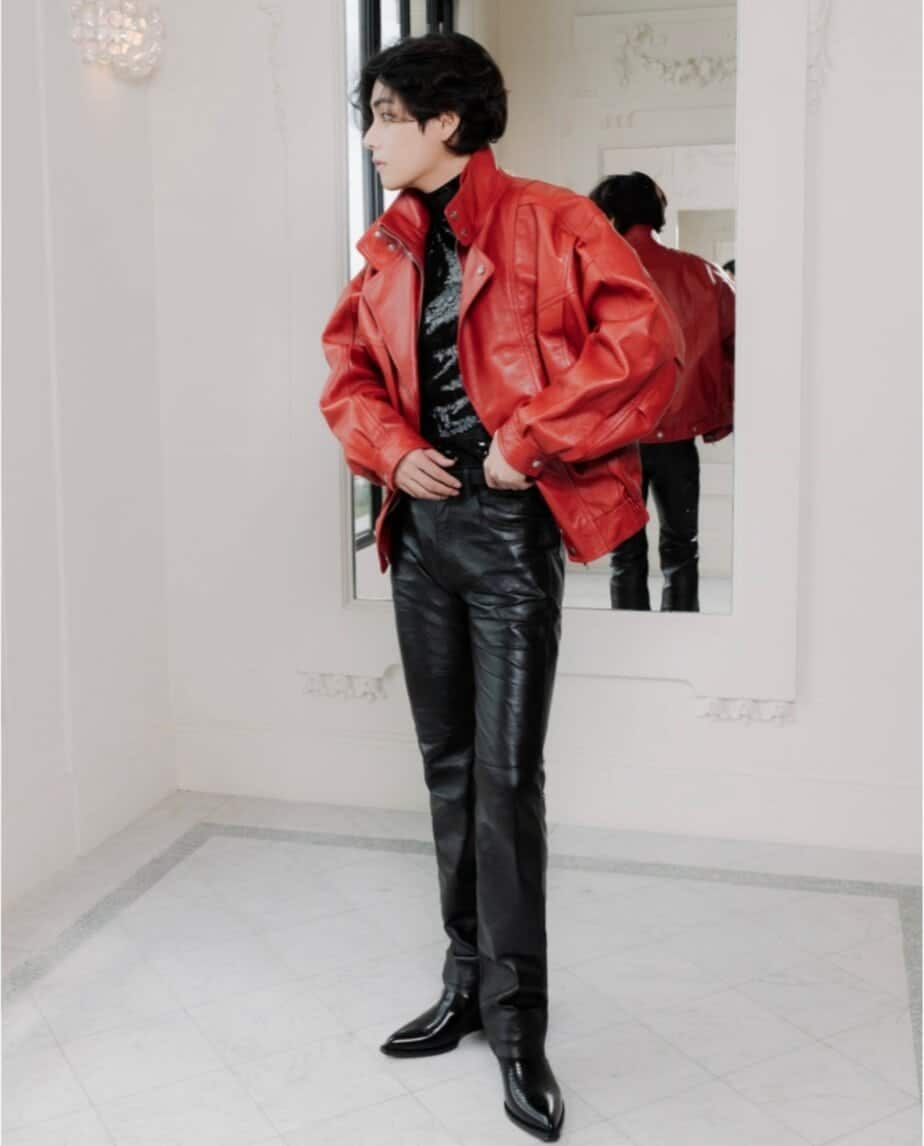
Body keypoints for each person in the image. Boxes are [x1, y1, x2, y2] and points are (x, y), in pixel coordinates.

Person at [319, 33, 681, 1142]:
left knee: (506, 778)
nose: (371, 137)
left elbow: (643, 346)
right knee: (446, 769)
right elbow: (346, 376)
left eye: (386, 116)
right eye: (371, 116)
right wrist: (391, 451)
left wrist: (529, 439)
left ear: (446, 121)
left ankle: (520, 1023)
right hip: (421, 534)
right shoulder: (388, 247)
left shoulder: (552, 220)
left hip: (511, 534)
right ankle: (466, 985)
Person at [589, 172, 736, 612]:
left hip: (617, 441)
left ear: (608, 216)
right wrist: (718, 411)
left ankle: (630, 640)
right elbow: (739, 348)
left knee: (625, 556)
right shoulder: (705, 274)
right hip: (678, 440)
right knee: (682, 549)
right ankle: (683, 636)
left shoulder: (593, 275)